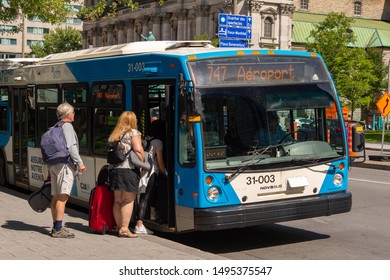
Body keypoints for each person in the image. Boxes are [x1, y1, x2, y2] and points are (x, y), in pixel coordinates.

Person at [50, 102, 86, 238]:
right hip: (64, 166)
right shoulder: (67, 126)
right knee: (62, 198)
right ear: (68, 114)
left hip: (54, 165)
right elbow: (72, 147)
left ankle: (55, 225)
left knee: (55, 197)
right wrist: (80, 163)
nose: (74, 115)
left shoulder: (55, 126)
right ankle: (58, 229)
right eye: (73, 112)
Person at [108, 111, 144, 238]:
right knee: (128, 199)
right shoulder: (133, 133)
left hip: (114, 170)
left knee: (117, 200)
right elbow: (138, 149)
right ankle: (124, 228)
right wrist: (142, 161)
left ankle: (119, 227)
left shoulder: (114, 135)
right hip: (128, 170)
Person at [135, 120, 167, 234]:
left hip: (143, 172)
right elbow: (160, 162)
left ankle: (150, 217)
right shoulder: (158, 142)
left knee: (144, 197)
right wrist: (165, 173)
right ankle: (139, 225)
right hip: (152, 172)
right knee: (146, 197)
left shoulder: (145, 139)